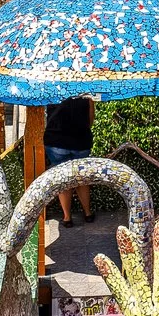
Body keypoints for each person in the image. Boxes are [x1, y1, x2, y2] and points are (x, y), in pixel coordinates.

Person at [44, 93, 96, 224]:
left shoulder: (51, 89)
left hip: (56, 141)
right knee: (82, 178)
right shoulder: (85, 92)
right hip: (81, 141)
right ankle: (88, 213)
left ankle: (67, 217)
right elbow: (91, 119)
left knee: (63, 179)